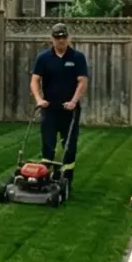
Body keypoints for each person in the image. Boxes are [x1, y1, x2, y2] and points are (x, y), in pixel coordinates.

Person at [31, 23, 89, 164]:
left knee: (69, 147)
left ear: (68, 38)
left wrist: (74, 101)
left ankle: (66, 181)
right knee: (48, 146)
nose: (61, 40)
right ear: (52, 39)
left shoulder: (77, 57)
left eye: (63, 37)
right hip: (49, 108)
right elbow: (34, 81)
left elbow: (82, 82)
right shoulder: (43, 58)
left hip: (69, 109)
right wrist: (39, 99)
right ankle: (46, 180)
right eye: (57, 38)